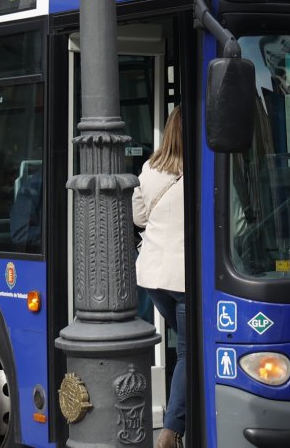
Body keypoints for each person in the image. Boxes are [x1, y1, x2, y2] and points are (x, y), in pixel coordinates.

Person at [132, 106, 186, 448]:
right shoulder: (201, 168)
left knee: (186, 342)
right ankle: (170, 431)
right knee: (188, 351)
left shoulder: (150, 168)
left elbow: (138, 217)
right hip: (184, 280)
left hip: (152, 277)